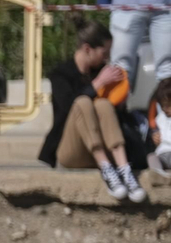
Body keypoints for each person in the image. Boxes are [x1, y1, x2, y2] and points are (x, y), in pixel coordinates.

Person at [39, 20, 147, 202]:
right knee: (82, 102)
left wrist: (119, 100)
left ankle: (124, 171)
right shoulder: (61, 74)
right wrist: (97, 85)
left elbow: (110, 116)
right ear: (87, 49)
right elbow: (67, 107)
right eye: (104, 53)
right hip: (72, 151)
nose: (106, 59)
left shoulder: (100, 72)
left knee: (103, 105)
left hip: (105, 148)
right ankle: (106, 170)